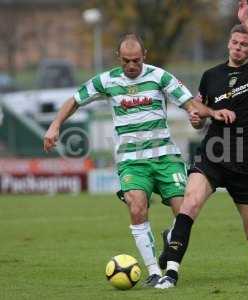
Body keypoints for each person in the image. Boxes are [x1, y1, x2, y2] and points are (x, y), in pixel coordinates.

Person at [43, 34, 235, 287]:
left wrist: (207, 113)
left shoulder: (160, 77)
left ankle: (171, 238)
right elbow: (75, 100)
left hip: (165, 156)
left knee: (185, 210)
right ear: (118, 58)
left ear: (145, 55)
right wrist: (55, 125)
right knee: (136, 206)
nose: (131, 66)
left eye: (136, 60)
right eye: (126, 61)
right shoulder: (107, 80)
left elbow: (190, 104)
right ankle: (154, 271)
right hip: (131, 161)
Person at [155, 0, 248, 289]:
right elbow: (199, 113)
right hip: (213, 155)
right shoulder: (211, 76)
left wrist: (247, 23)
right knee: (190, 204)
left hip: (247, 162)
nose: (238, 47)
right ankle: (170, 272)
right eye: (235, 42)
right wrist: (197, 120)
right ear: (228, 44)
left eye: (245, 44)